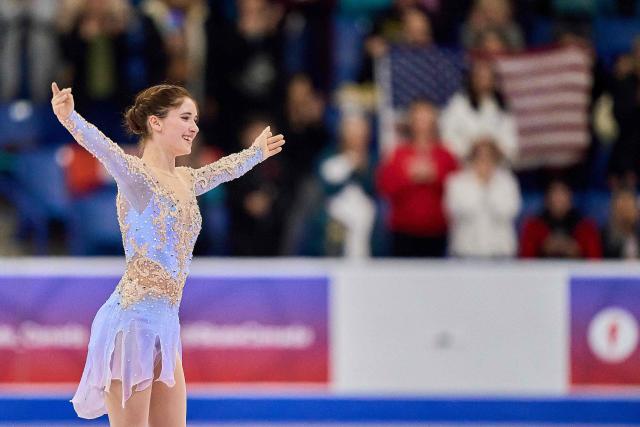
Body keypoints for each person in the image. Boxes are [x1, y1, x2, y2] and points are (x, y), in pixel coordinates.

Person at [50, 81, 284, 425]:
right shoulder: (137, 176)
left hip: (165, 326)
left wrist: (256, 153)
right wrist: (70, 118)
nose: (195, 127)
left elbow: (223, 170)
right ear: (156, 123)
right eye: (186, 117)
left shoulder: (187, 180)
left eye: (196, 119)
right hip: (131, 324)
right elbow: (103, 148)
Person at [377, 99, 458, 257]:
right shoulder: (398, 154)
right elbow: (384, 186)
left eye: (426, 116)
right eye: (418, 116)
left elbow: (458, 188)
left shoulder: (445, 155)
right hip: (403, 232)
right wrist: (409, 177)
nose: (422, 122)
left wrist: (435, 176)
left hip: (436, 231)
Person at [445, 139, 521, 258]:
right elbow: (456, 211)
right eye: (479, 157)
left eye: (489, 157)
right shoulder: (457, 182)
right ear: (472, 158)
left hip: (500, 251)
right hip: (466, 251)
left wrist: (488, 185)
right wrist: (480, 185)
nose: (484, 161)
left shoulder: (507, 182)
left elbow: (509, 211)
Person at [519, 179, 602, 259]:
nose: (558, 199)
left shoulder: (585, 226)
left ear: (570, 197)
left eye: (562, 193)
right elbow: (525, 261)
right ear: (546, 198)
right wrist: (542, 247)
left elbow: (595, 262)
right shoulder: (534, 226)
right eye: (554, 193)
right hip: (541, 271)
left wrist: (577, 250)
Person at [602, 188, 640, 259]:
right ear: (614, 211)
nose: (625, 211)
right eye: (622, 207)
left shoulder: (637, 235)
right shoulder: (605, 237)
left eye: (629, 206)